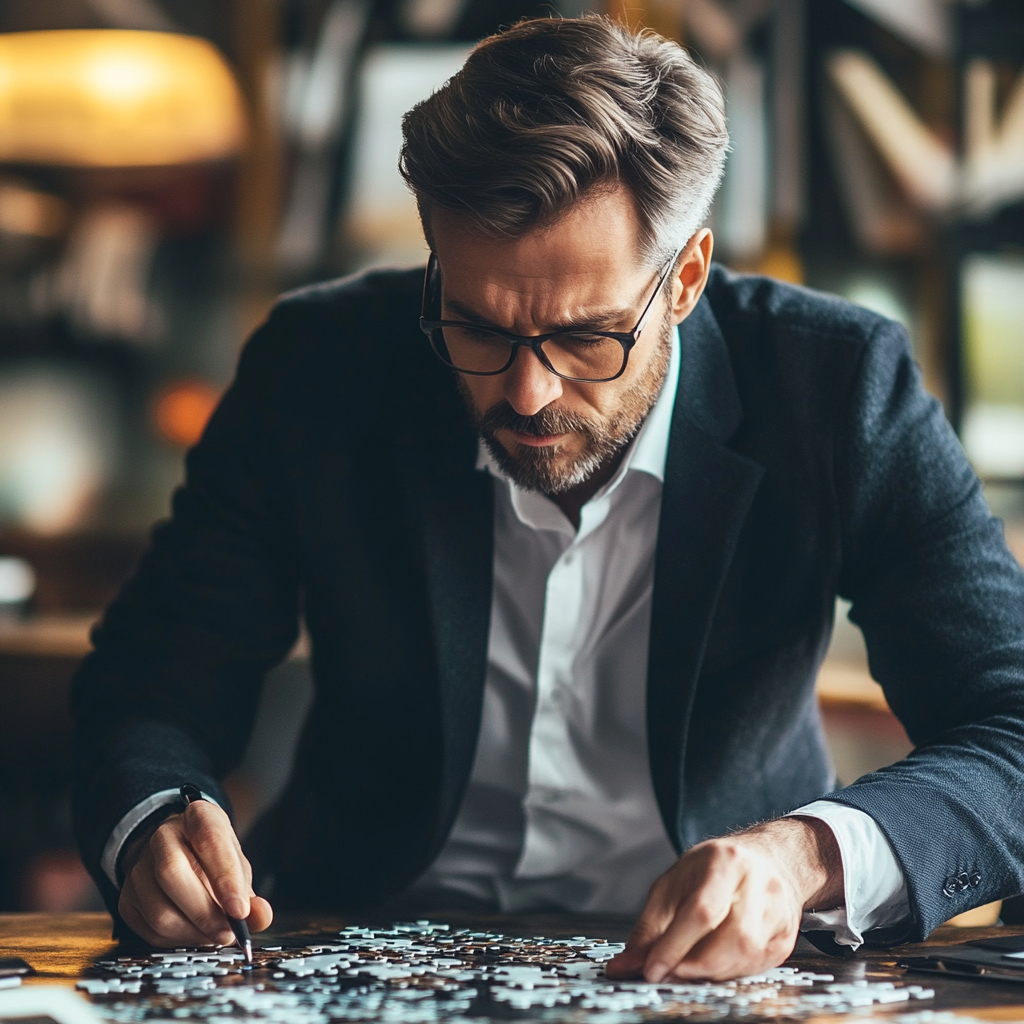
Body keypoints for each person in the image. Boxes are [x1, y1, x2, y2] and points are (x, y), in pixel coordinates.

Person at [72, 15, 1024, 983]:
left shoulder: (838, 385)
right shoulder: (314, 367)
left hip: (718, 970)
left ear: (685, 279)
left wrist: (804, 858)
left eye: (585, 337)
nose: (526, 395)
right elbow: (150, 688)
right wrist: (152, 818)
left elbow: (1013, 725)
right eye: (477, 327)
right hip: (347, 937)